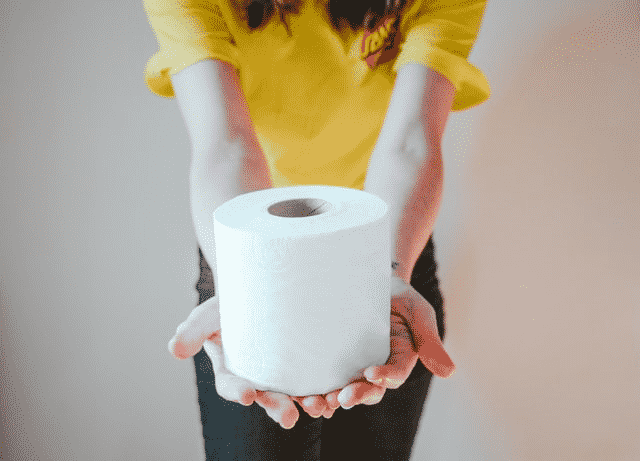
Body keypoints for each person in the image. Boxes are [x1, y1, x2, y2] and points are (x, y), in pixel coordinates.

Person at [142, 0, 490, 459]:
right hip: (251, 261)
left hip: (387, 251)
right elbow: (225, 144)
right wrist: (249, 298)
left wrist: (384, 282)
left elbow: (411, 141)